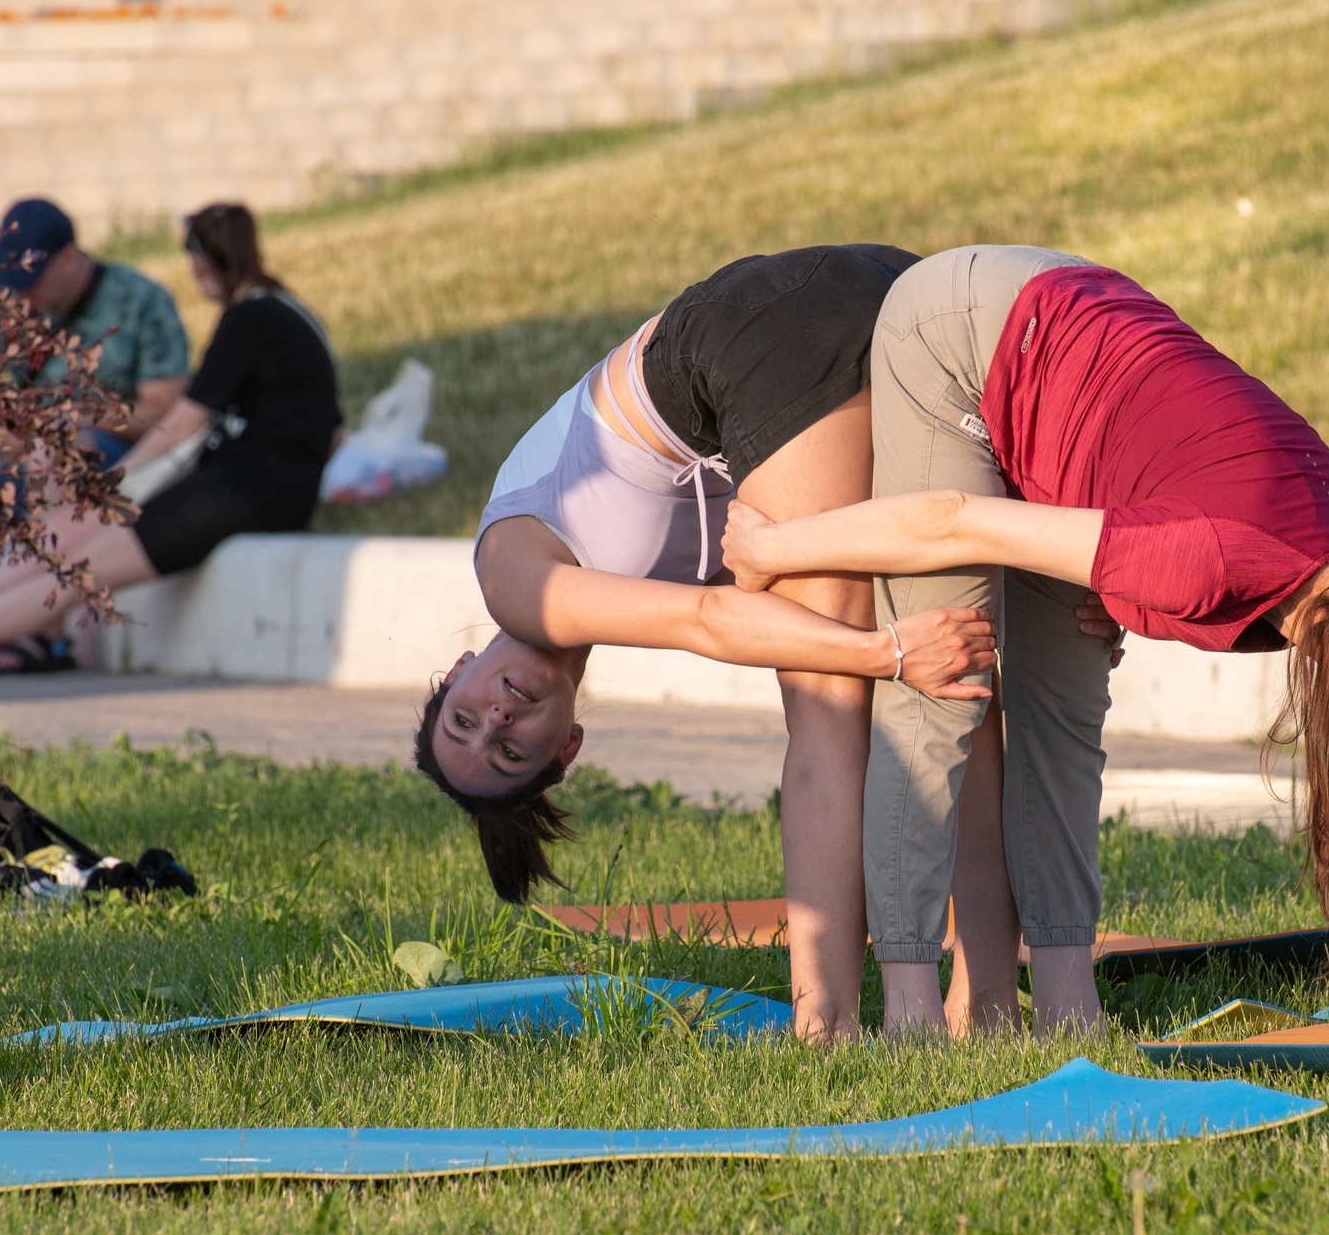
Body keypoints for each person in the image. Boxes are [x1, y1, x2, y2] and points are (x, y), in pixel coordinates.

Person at [721, 245, 1329, 1028]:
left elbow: (1195, 487)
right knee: (942, 669)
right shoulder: (1214, 564)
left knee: (1064, 712)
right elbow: (952, 524)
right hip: (964, 332)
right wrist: (774, 548)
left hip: (1080, 357)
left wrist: (1129, 592)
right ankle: (911, 1005)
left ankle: (1066, 1004)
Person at [412, 245, 1044, 1042]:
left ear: (460, 670)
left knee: (827, 699)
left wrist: (882, 652)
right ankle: (986, 1001)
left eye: (464, 718)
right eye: (509, 751)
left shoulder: (513, 580)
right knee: (956, 667)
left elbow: (712, 624)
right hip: (879, 286)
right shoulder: (591, 590)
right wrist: (901, 649)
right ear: (566, 746)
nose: (496, 719)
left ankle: (828, 1028)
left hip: (764, 330)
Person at [0, 203, 340, 663]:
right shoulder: (286, 313)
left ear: (206, 262)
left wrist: (114, 485)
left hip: (248, 492)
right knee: (63, 545)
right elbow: (332, 432)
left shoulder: (248, 319)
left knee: (69, 571)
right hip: (245, 484)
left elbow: (181, 422)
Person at [0, 197, 191, 462]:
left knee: (56, 444)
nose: (22, 293)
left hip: (114, 457)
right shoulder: (7, 301)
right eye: (12, 280)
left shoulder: (142, 300)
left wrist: (78, 418)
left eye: (31, 279)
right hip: (19, 455)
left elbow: (164, 412)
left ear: (68, 258)